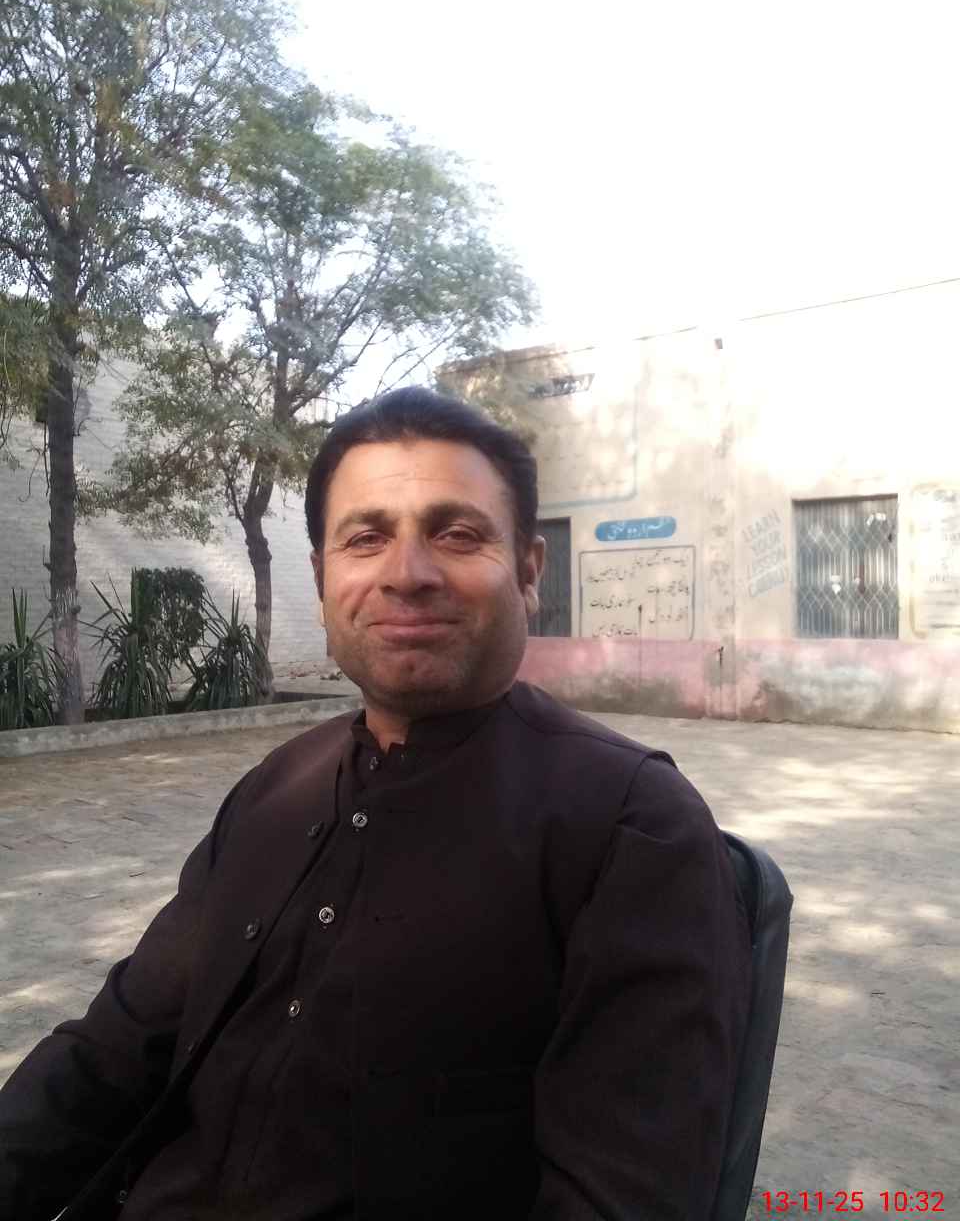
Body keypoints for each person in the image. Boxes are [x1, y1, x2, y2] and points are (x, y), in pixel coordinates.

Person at [0, 386, 750, 1221]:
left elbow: (622, 1196)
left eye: (456, 534)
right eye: (366, 539)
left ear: (529, 571)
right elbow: (110, 1053)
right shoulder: (275, 789)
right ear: (324, 578)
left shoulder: (631, 828)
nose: (407, 574)